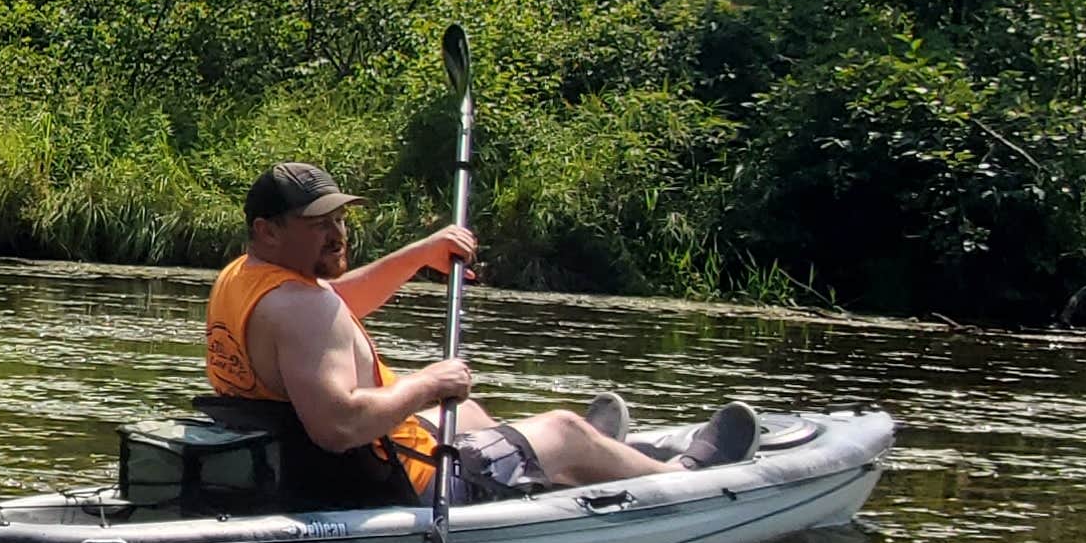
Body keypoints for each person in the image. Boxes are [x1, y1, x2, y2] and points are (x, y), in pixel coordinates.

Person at [207, 159, 755, 507]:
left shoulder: (248, 280)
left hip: (319, 465)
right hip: (396, 481)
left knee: (468, 417)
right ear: (268, 230)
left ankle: (565, 465)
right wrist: (430, 382)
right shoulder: (301, 305)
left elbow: (336, 309)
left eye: (339, 219)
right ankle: (676, 475)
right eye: (317, 223)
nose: (336, 234)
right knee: (563, 427)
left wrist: (419, 256)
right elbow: (339, 426)